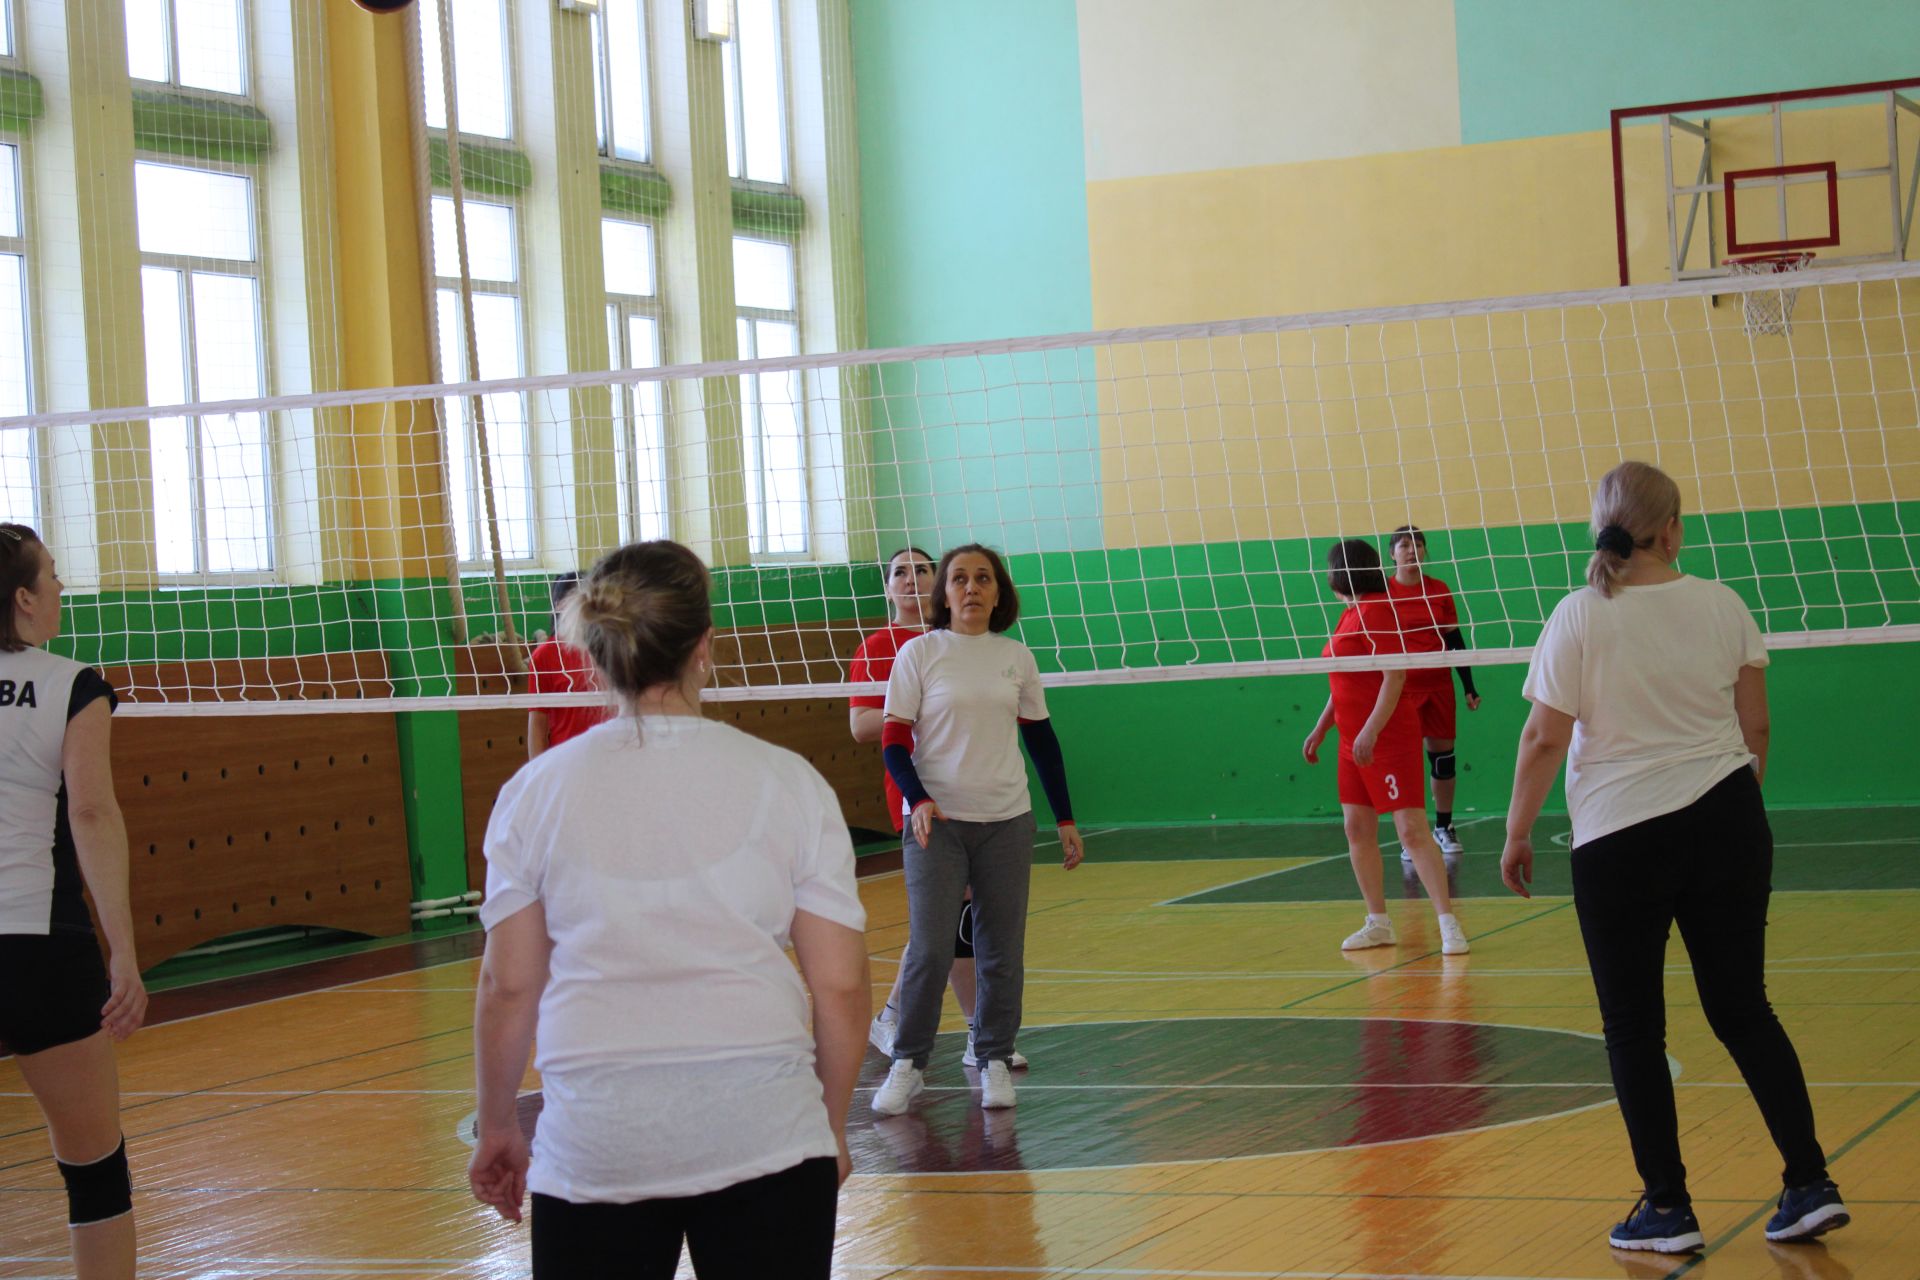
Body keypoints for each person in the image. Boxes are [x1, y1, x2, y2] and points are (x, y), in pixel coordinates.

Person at [468, 540, 872, 1279]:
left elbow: (509, 984)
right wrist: (830, 1125)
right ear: (705, 647)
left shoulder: (533, 792)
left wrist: (496, 1124)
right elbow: (841, 985)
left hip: (596, 1143)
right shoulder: (791, 782)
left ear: (594, 659)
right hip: (767, 1134)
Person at [1499, 461, 1847, 1254]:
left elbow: (1544, 737)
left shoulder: (1578, 617)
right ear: (1671, 530)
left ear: (1605, 531)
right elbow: (1754, 729)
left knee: (1632, 1027)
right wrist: (1730, 804)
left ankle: (1668, 1208)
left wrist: (1518, 833)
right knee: (1744, 1008)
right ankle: (1808, 1183)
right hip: (1727, 816)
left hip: (1621, 836)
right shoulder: (1722, 604)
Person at [870, 544, 1083, 1116]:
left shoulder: (1016, 657)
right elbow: (893, 740)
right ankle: (907, 1064)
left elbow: (1042, 741)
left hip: (1007, 822)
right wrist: (918, 798)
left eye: (982, 578)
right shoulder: (919, 653)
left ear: (997, 591)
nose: (970, 588)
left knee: (1000, 950)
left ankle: (992, 1058)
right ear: (944, 593)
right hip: (937, 824)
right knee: (930, 949)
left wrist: (1065, 818)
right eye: (959, 578)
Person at [0, 523, 146, 1280]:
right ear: (23, 598)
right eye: (51, 575)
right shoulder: (71, 684)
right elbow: (91, 814)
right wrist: (122, 948)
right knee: (94, 1169)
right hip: (40, 947)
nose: (61, 587)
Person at [848, 547, 1024, 1069]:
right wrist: (922, 704)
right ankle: (910, 1019)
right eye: (899, 571)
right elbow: (861, 725)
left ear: (939, 583)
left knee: (962, 915)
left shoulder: (976, 646)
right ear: (887, 588)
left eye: (921, 570)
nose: (911, 579)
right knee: (948, 916)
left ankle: (971, 1029)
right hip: (916, 790)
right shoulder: (885, 646)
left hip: (977, 793)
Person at [1302, 539, 1468, 957]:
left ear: (1343, 572)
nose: (1325, 576)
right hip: (1351, 741)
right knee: (1357, 829)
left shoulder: (1377, 611)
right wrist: (1322, 729)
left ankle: (1448, 924)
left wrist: (1371, 731)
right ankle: (1378, 923)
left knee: (1411, 830)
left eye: (1329, 569)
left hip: (1385, 738)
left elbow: (1394, 678)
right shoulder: (1350, 614)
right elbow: (1342, 681)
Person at [1385, 525, 1481, 856]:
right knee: (1406, 760)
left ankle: (1443, 826)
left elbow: (1455, 642)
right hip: (1402, 688)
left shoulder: (1438, 590)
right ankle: (1412, 834)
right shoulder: (1383, 593)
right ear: (1392, 553)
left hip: (1439, 684)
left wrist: (1469, 686)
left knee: (1443, 760)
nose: (1412, 550)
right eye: (1405, 545)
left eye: (1419, 545)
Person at [526, 572, 612, 758]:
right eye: (577, 600)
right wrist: (537, 772)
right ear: (558, 606)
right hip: (566, 757)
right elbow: (537, 722)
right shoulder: (545, 655)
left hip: (612, 755)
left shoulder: (613, 647)